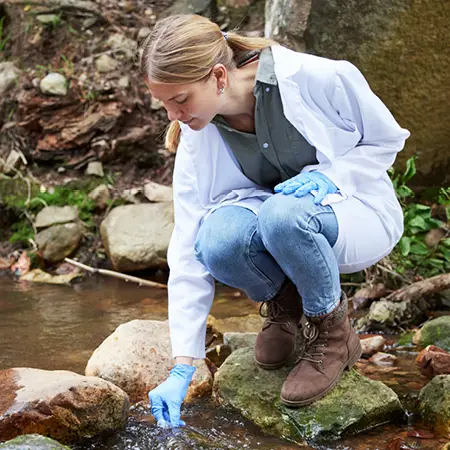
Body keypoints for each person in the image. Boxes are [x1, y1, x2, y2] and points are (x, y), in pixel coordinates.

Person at [139, 14, 410, 427]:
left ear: (217, 76)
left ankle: (332, 334)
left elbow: (386, 138)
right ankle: (287, 306)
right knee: (216, 241)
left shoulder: (319, 77)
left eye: (180, 99)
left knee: (283, 216)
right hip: (276, 223)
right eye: (164, 104)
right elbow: (188, 244)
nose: (174, 115)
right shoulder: (199, 132)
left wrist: (330, 177)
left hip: (349, 214)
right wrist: (183, 366)